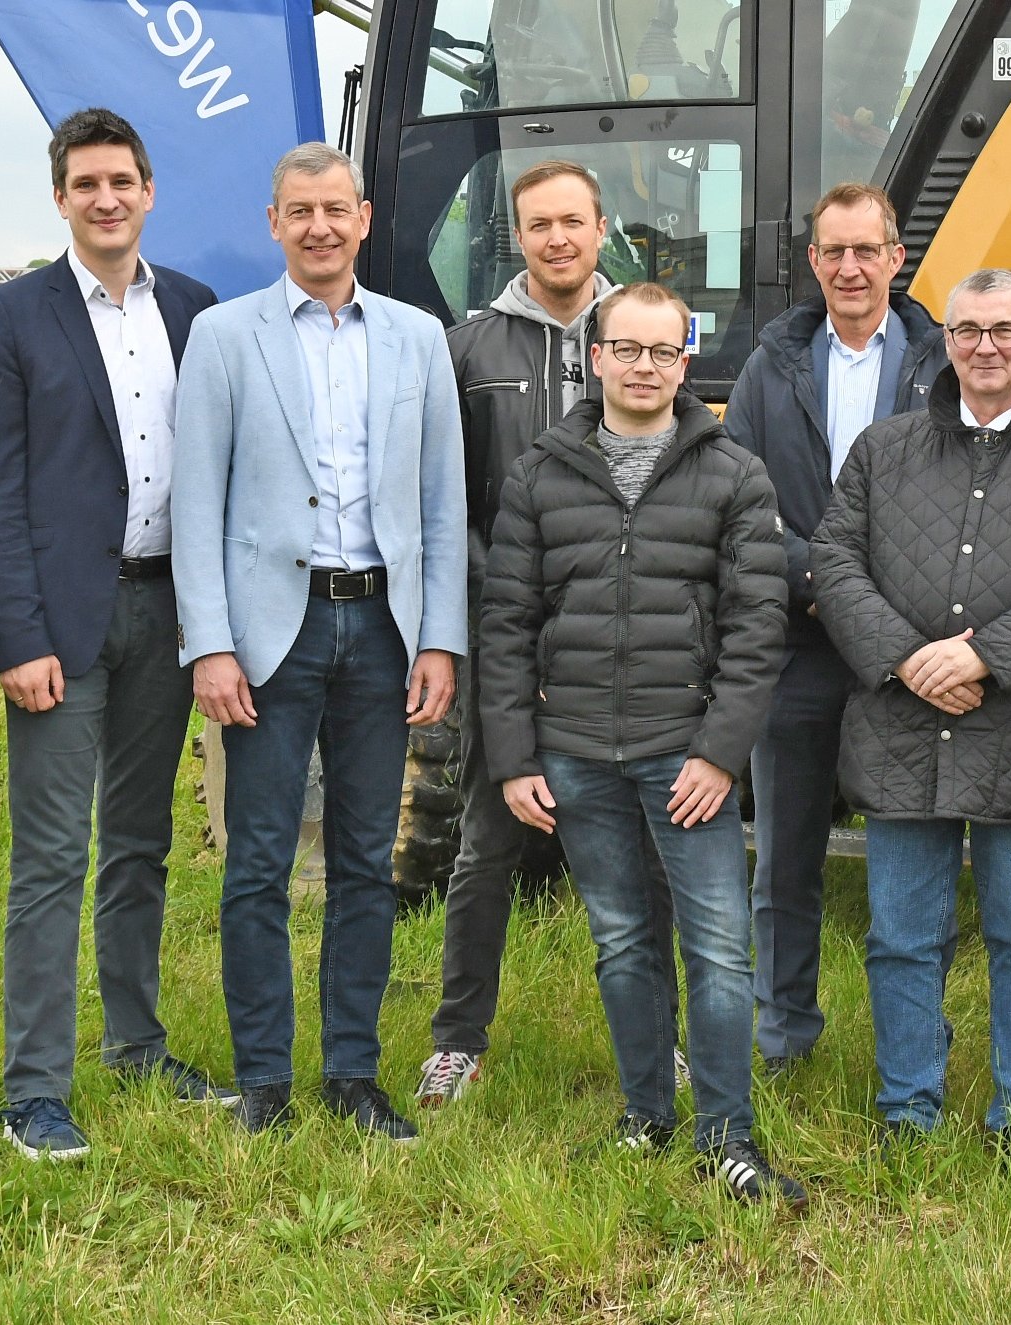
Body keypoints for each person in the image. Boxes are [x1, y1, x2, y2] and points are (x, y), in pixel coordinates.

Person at [480, 281, 802, 1201]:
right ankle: (645, 1115)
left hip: (684, 753)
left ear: (686, 360)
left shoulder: (733, 474)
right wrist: (514, 756)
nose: (646, 366)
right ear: (596, 354)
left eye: (664, 352)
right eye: (627, 348)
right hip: (575, 750)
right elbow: (505, 622)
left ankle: (727, 1136)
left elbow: (757, 628)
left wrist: (720, 752)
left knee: (719, 950)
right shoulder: (542, 473)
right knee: (622, 943)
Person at [172, 143, 465, 1141]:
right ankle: (264, 1076)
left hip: (383, 628)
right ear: (274, 223)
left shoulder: (418, 338)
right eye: (299, 211)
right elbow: (196, 503)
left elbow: (439, 501)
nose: (319, 227)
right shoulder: (222, 337)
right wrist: (209, 643)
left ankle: (350, 1070)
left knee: (362, 862)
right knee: (255, 861)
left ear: (365, 217)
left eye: (335, 209)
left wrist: (441, 639)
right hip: (268, 637)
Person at [811, 267, 1011, 1157]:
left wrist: (985, 654)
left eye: (1004, 329)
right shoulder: (883, 449)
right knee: (901, 935)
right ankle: (908, 1106)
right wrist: (909, 658)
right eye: (966, 331)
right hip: (900, 724)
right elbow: (834, 562)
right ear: (943, 342)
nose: (984, 347)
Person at [0, 107, 232, 1162]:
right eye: (86, 184)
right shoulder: (12, 315)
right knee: (50, 858)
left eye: (123, 180)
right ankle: (34, 1089)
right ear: (61, 197)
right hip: (60, 629)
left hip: (166, 614)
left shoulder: (198, 311)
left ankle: (135, 1042)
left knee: (141, 844)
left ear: (149, 190)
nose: (106, 198)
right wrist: (15, 637)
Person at [418, 159, 632, 1107]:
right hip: (503, 633)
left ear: (599, 228)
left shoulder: (640, 337)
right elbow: (446, 499)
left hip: (621, 639)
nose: (557, 238)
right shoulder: (468, 349)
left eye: (573, 222)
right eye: (539, 224)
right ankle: (458, 1038)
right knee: (486, 841)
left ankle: (651, 1040)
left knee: (639, 850)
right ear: (517, 234)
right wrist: (483, 616)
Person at [721, 182, 943, 1075]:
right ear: (812, 262)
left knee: (914, 867)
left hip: (906, 650)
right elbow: (737, 506)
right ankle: (782, 1037)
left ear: (897, 257)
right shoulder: (770, 365)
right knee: (786, 860)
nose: (850, 267)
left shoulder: (942, 363)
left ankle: (914, 1042)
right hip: (798, 643)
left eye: (868, 249)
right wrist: (822, 580)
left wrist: (881, 605)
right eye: (833, 251)